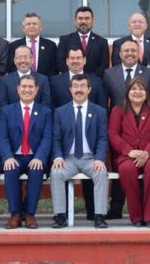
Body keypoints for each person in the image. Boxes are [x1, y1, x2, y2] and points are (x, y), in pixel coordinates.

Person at [103, 39, 150, 219]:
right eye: (126, 51)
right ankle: (116, 208)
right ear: (119, 54)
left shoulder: (149, 74)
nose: (129, 53)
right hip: (120, 129)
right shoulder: (109, 73)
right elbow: (104, 102)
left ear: (139, 53)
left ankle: (145, 211)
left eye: (133, 51)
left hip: (145, 129)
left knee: (146, 169)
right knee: (122, 170)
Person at [108, 77, 150, 227]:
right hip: (128, 155)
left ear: (147, 93)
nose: (137, 92)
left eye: (141, 89)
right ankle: (136, 217)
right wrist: (128, 151)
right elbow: (113, 134)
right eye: (133, 89)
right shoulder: (118, 110)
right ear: (127, 92)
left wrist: (147, 152)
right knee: (127, 169)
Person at [50, 74, 109, 229]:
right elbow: (56, 138)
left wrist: (99, 159)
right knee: (56, 173)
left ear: (89, 89)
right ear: (70, 89)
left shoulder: (100, 112)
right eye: (75, 86)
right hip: (68, 159)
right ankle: (60, 216)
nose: (79, 90)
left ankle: (99, 216)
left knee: (101, 173)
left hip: (91, 159)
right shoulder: (60, 112)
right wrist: (58, 157)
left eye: (83, 86)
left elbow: (102, 138)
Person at [0, 75, 52, 229]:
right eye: (24, 86)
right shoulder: (7, 111)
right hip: (14, 156)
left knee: (36, 171)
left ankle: (29, 214)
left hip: (35, 156)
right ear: (18, 89)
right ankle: (15, 214)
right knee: (10, 170)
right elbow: (2, 136)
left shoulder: (45, 112)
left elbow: (47, 137)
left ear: (36, 90)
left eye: (30, 87)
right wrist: (8, 157)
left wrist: (40, 157)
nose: (27, 90)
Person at [57, 6, 109, 78]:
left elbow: (104, 65)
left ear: (93, 21)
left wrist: (90, 79)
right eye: (80, 18)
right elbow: (61, 63)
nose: (83, 21)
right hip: (70, 81)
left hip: (93, 81)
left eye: (87, 18)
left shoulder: (102, 42)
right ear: (75, 21)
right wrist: (74, 77)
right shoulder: (65, 40)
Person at [8, 13, 58, 77]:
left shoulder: (51, 46)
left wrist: (43, 81)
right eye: (28, 24)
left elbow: (54, 69)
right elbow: (11, 68)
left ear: (40, 27)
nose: (31, 26)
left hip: (44, 82)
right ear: (23, 28)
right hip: (20, 82)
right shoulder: (14, 46)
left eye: (34, 24)